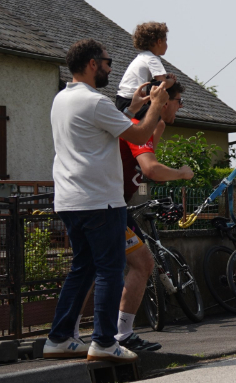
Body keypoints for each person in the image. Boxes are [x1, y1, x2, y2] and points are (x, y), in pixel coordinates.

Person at [45, 39, 170, 363]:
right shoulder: (95, 101)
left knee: (82, 269)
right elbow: (140, 135)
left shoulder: (62, 100)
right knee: (110, 270)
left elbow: (102, 130)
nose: (111, 68)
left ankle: (59, 337)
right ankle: (104, 342)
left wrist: (130, 109)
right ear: (91, 63)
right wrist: (155, 103)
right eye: (107, 61)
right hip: (100, 200)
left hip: (70, 200)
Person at [115, 81, 194, 352]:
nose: (181, 107)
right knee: (142, 263)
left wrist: (159, 124)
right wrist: (182, 173)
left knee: (95, 270)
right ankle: (121, 334)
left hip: (115, 205)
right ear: (163, 100)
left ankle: (70, 333)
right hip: (108, 206)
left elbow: (145, 162)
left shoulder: (151, 127)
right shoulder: (138, 127)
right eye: (179, 101)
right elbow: (150, 169)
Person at [114, 22, 170, 113]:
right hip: (132, 100)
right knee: (158, 122)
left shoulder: (142, 57)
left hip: (122, 100)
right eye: (165, 41)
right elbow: (162, 84)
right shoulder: (152, 59)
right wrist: (172, 81)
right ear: (159, 42)